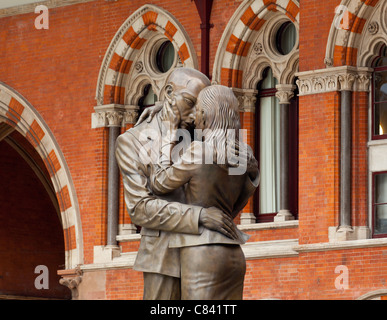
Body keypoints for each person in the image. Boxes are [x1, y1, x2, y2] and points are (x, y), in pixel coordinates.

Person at [115, 68, 240, 300]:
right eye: (190, 102)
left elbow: (228, 191)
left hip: (208, 253)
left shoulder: (203, 134)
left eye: (199, 106)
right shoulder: (130, 142)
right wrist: (199, 216)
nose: (195, 115)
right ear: (169, 93)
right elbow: (140, 209)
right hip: (164, 259)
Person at [149, 85, 259, 299]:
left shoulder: (199, 150)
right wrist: (253, 174)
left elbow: (159, 183)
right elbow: (236, 207)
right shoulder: (243, 153)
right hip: (233, 254)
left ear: (206, 115)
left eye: (198, 110)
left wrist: (168, 136)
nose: (195, 117)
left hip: (201, 251)